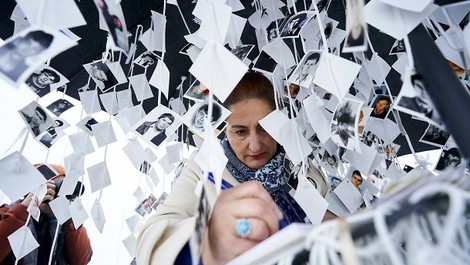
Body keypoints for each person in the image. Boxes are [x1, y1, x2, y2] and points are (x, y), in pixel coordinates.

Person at [136, 72, 328, 264]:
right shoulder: (204, 168)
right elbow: (151, 241)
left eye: (263, 128)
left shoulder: (303, 164)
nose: (255, 145)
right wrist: (211, 239)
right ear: (225, 130)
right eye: (241, 132)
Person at [0, 164, 92, 265]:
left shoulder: (64, 228)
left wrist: (71, 219)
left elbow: (81, 261)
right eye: (52, 186)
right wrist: (25, 209)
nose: (55, 194)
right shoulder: (6, 214)